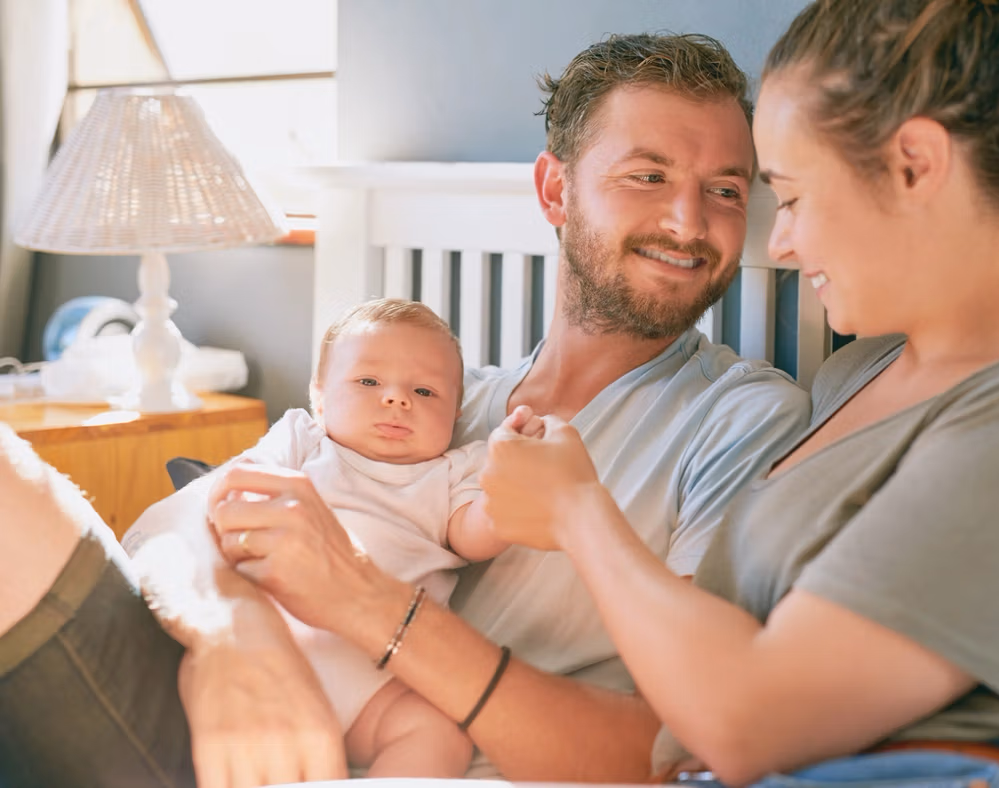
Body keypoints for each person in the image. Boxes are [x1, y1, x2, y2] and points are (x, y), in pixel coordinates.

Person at [0, 32, 810, 787]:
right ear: (556, 189)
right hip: (241, 697)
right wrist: (232, 635)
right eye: (649, 175)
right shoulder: (432, 397)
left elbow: (682, 750)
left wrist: (362, 598)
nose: (689, 221)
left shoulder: (741, 421)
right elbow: (170, 524)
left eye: (727, 190)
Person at [475, 2, 999, 788]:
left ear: (915, 164)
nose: (776, 241)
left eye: (796, 196)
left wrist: (578, 512)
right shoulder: (857, 376)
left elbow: (752, 721)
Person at [125, 298, 515, 778]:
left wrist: (513, 483)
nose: (397, 399)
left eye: (425, 391)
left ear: (455, 415)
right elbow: (230, 490)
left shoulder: (453, 472)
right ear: (320, 396)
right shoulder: (304, 440)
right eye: (369, 382)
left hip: (373, 680)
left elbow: (476, 534)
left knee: (438, 736)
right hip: (265, 642)